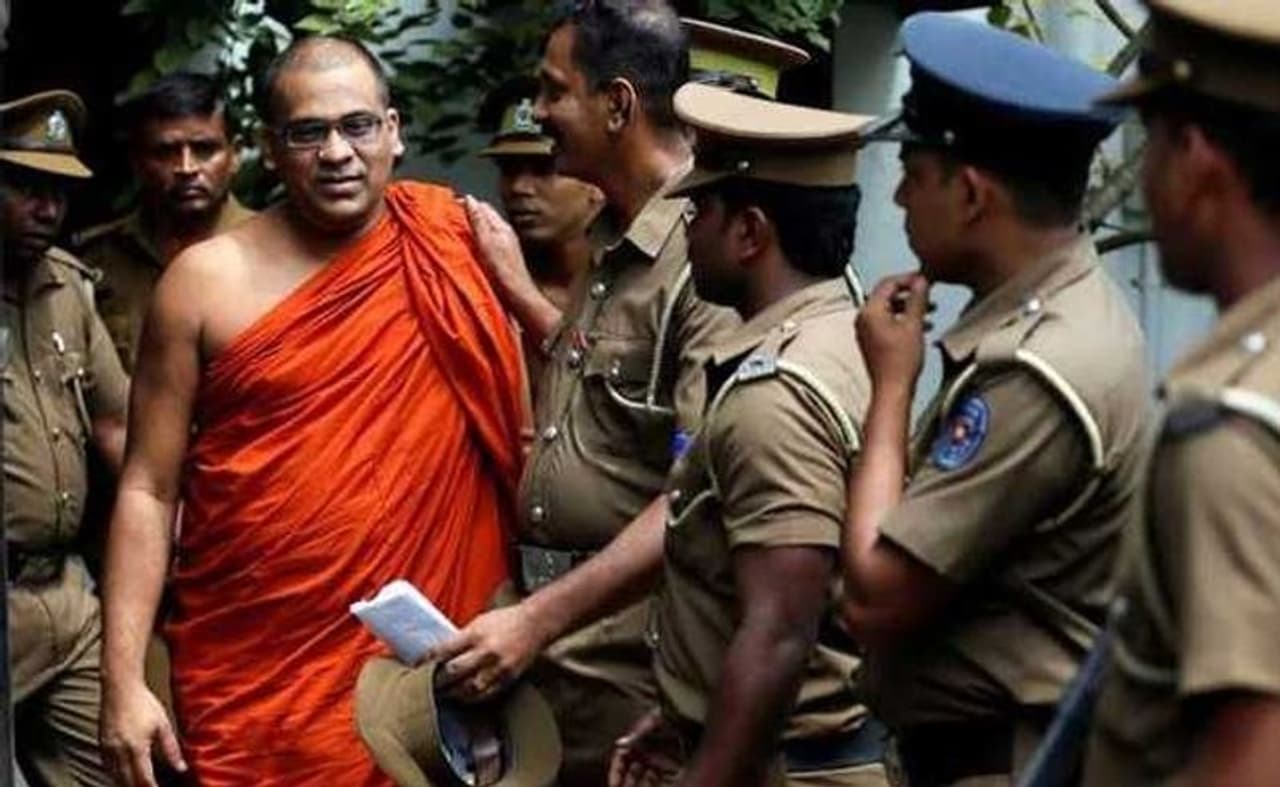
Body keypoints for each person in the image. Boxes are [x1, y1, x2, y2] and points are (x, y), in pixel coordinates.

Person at [97, 36, 526, 787]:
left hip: (429, 668)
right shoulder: (203, 282)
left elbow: (530, 435)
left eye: (357, 126)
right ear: (270, 148)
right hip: (260, 674)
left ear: (393, 131)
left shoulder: (456, 247)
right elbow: (147, 488)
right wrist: (122, 679)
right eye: (308, 132)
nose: (336, 153)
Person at [836, 14, 1151, 785]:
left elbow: (874, 596)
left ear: (972, 194)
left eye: (913, 172)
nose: (899, 195)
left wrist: (891, 386)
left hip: (1001, 761)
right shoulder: (1063, 312)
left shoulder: (1038, 369)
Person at [439, 4, 738, 784]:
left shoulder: (703, 255)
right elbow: (604, 386)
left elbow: (695, 493)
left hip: (635, 674)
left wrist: (538, 617)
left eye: (553, 91)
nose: (538, 112)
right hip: (558, 657)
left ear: (618, 105)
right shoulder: (610, 238)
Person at [608, 83, 887, 787]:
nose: (687, 232)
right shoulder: (844, 334)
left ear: (750, 232)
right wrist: (685, 714)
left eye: (699, 211)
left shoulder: (776, 394)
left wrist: (708, 768)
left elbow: (779, 632)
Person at [1082, 2, 1280, 783]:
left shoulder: (1233, 426)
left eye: (1152, 142)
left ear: (1195, 156)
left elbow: (1254, 752)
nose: (1148, 176)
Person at [2, 89, 127, 787]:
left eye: (58, 192)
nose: (47, 209)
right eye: (26, 187)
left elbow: (117, 424)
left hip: (66, 593)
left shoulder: (68, 287)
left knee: (116, 765)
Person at [75, 71, 254, 373]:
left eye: (204, 149)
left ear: (235, 155)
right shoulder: (97, 260)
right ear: (137, 162)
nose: (186, 167)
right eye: (166, 152)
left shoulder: (275, 249)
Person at [477, 75, 602, 314]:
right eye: (508, 169)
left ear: (596, 179)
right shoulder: (478, 282)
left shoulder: (637, 278)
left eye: (543, 169)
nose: (519, 187)